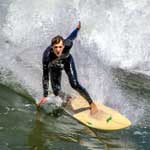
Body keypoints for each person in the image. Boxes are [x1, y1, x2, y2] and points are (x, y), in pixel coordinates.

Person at [38, 21, 98, 114]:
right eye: (56, 47)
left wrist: (77, 29)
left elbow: (72, 36)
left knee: (74, 84)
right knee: (56, 92)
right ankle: (67, 97)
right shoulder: (47, 56)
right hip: (55, 66)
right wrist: (45, 95)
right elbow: (45, 76)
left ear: (63, 45)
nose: (58, 50)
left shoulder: (68, 44)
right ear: (52, 47)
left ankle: (91, 103)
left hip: (67, 61)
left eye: (60, 47)